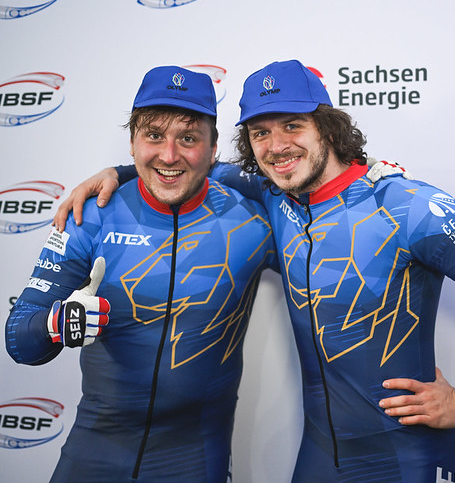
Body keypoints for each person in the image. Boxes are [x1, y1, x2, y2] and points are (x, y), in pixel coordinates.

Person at [54, 60, 455, 482]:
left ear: (327, 129)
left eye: (292, 126)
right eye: (260, 133)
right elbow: (183, 165)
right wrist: (117, 172)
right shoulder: (275, 196)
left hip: (407, 458)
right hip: (317, 459)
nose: (276, 145)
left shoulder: (405, 203)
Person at [5, 65, 278, 482]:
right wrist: (56, 323)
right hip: (95, 449)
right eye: (153, 136)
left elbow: (330, 243)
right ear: (132, 142)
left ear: (212, 148)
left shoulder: (253, 221)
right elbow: (20, 341)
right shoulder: (90, 215)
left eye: (188, 139)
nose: (169, 156)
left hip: (195, 457)